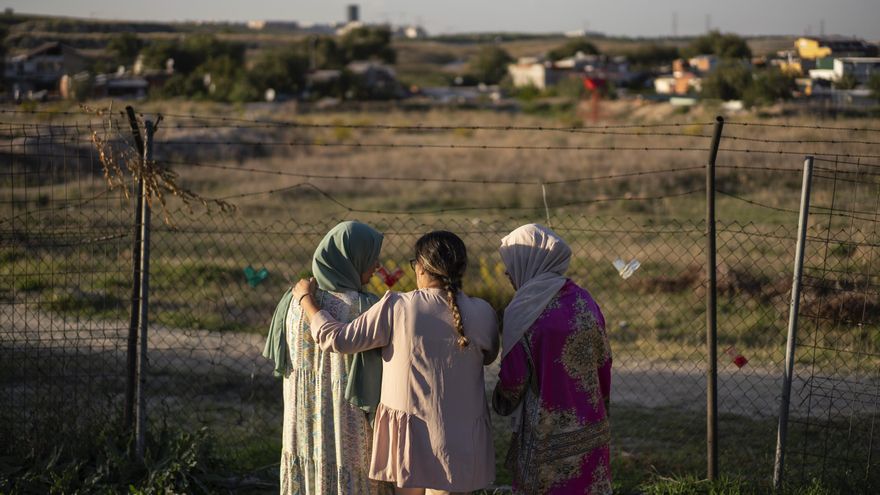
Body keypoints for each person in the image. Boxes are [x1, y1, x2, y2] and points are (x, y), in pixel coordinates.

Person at [293, 230, 500, 495]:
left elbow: (338, 340)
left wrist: (306, 300)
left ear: (421, 267)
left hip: (410, 440)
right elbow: (489, 356)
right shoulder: (483, 311)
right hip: (462, 440)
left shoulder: (398, 306)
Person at [263, 221, 392, 495]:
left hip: (302, 424)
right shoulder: (366, 308)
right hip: (349, 431)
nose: (377, 264)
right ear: (352, 258)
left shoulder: (292, 301)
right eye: (371, 257)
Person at [492, 224, 612, 495]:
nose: (507, 272)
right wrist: (600, 405)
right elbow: (604, 360)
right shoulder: (585, 300)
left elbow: (514, 380)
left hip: (546, 434)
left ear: (528, 262)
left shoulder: (524, 310)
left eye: (510, 264)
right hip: (591, 424)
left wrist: (500, 402)